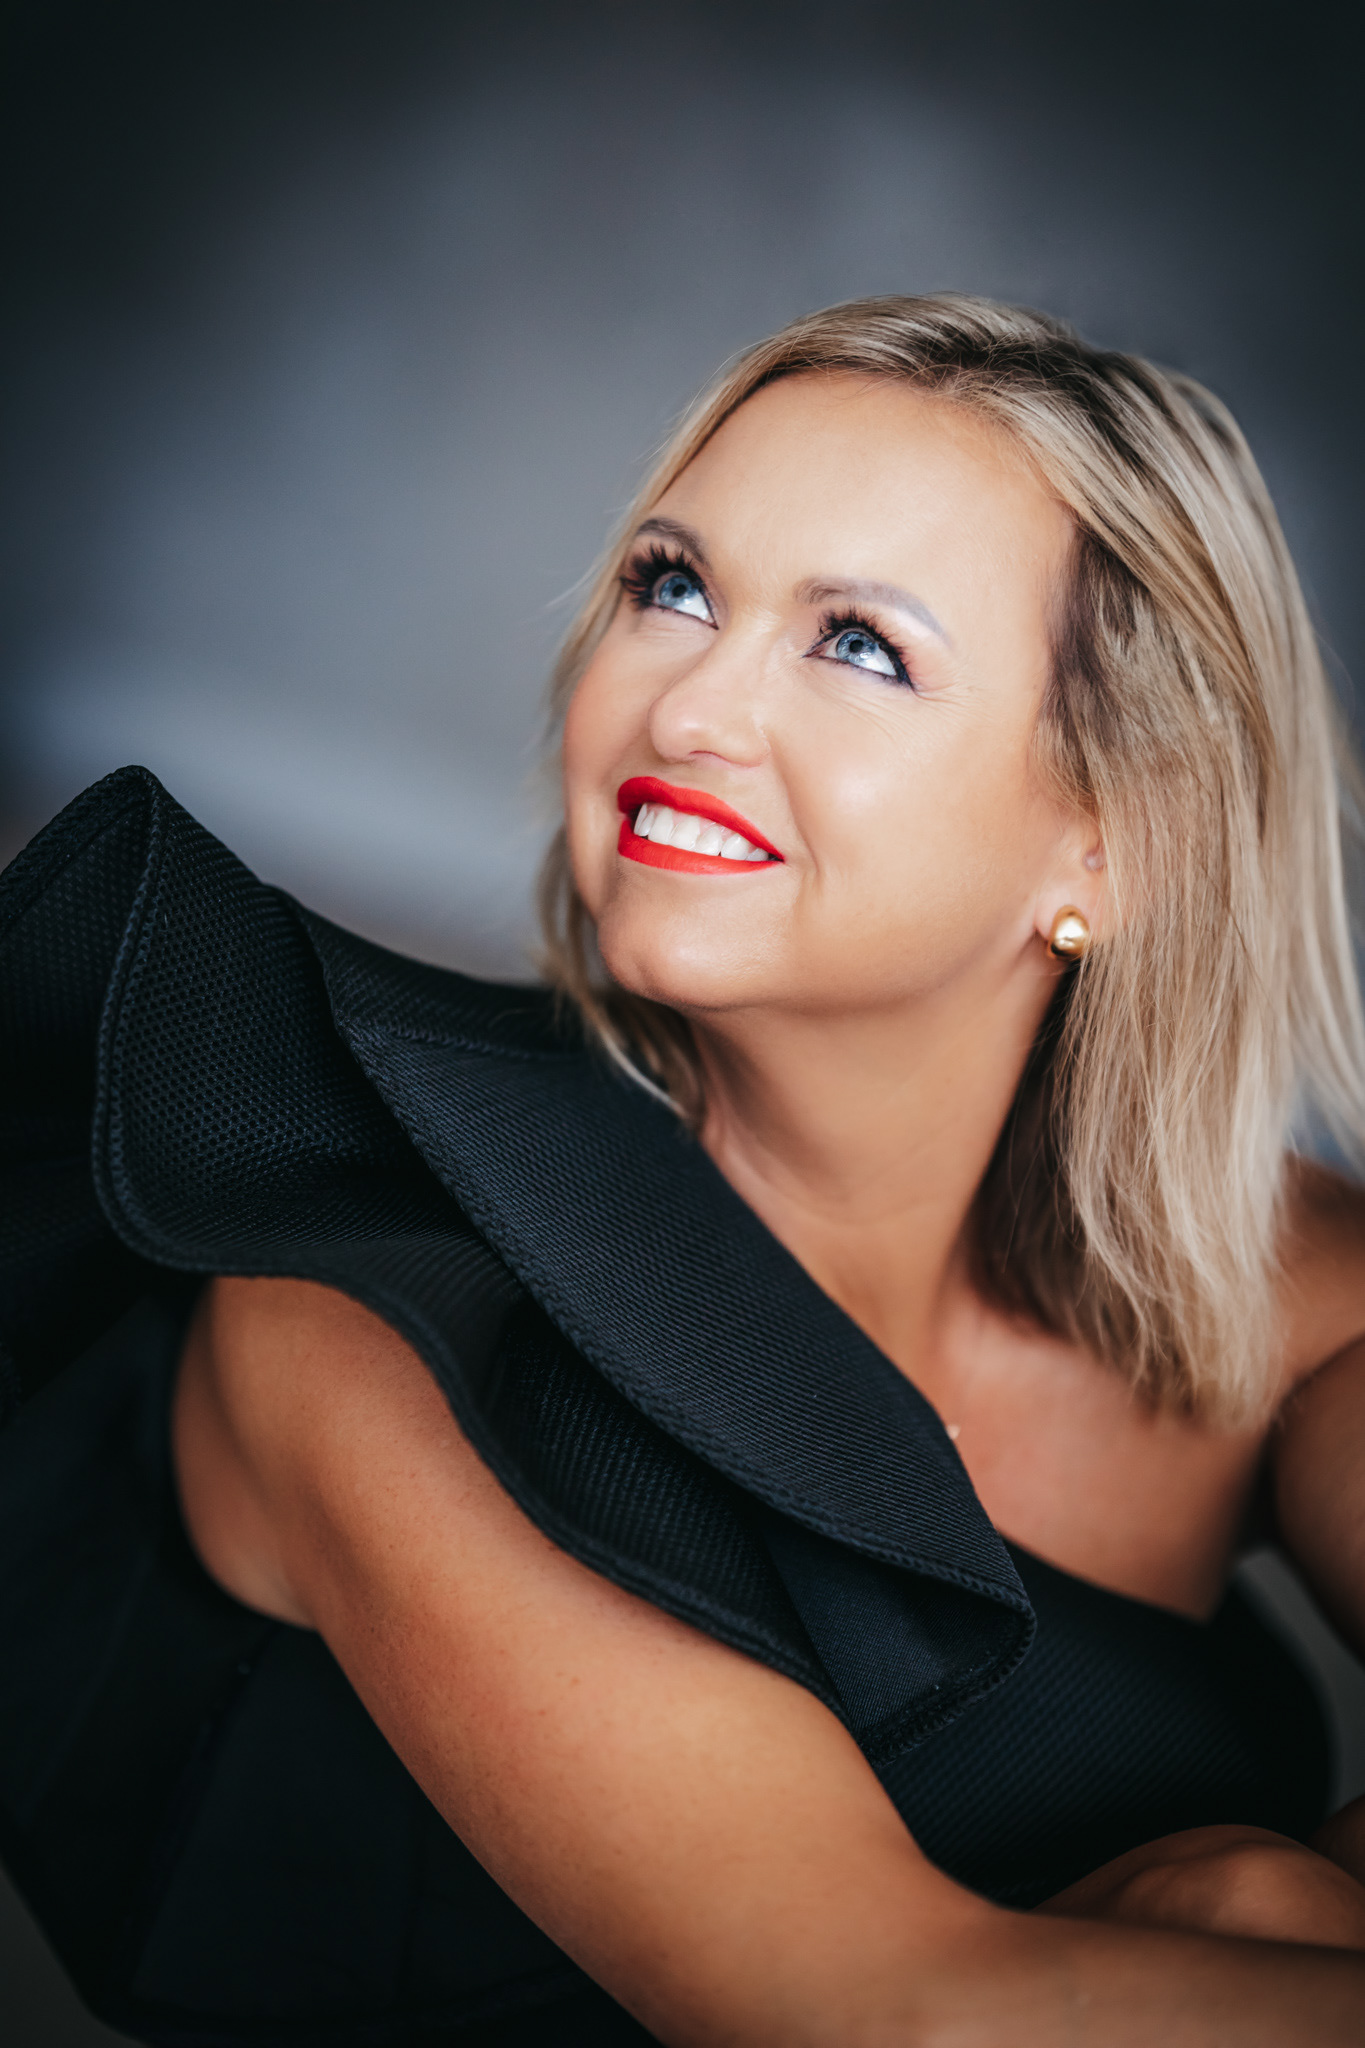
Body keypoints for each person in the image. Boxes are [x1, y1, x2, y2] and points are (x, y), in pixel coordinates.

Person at [3, 293, 1365, 2045]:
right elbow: (880, 2018)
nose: (692, 707)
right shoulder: (360, 1297)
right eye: (672, 588)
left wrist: (1236, 1904)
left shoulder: (1284, 1293)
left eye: (857, 644)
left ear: (1108, 842)